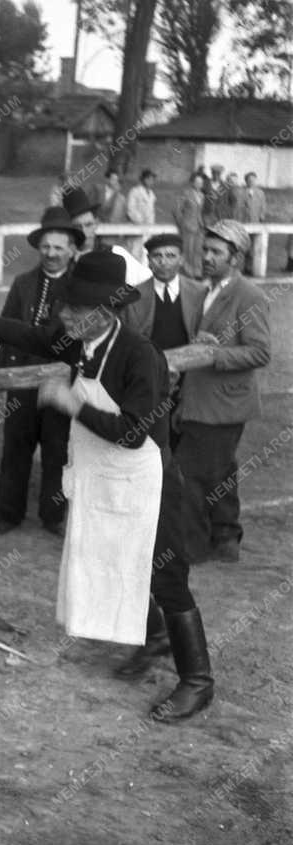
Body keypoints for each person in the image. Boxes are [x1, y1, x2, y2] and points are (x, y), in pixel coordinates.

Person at [0, 250, 215, 722]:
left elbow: (135, 433)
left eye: (74, 309)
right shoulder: (76, 340)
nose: (64, 316)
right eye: (65, 307)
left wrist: (73, 404)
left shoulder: (140, 356)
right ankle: (156, 638)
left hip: (150, 484)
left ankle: (197, 681)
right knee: (120, 559)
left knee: (166, 577)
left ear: (104, 313)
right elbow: (29, 334)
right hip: (108, 480)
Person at [175, 220, 270, 564]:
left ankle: (192, 548)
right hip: (199, 400)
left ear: (236, 258)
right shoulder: (206, 291)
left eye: (216, 252)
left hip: (224, 406)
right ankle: (226, 537)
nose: (207, 257)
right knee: (220, 472)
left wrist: (215, 354)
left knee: (189, 475)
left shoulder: (250, 296)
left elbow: (261, 352)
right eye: (206, 250)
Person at [0, 206, 79, 538]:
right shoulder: (23, 283)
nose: (51, 254)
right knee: (15, 447)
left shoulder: (79, 287)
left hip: (61, 380)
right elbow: (7, 326)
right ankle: (8, 513)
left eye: (58, 247)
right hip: (22, 378)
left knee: (57, 448)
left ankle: (53, 515)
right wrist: (1, 374)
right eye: (46, 247)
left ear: (71, 250)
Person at [121, 233, 205, 453]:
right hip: (150, 379)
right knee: (150, 441)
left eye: (170, 255)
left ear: (182, 259)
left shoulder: (199, 293)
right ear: (148, 260)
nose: (164, 261)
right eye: (157, 256)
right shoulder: (133, 296)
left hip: (188, 381)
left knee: (184, 439)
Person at [173, 172, 205, 279]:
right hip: (188, 226)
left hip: (199, 227)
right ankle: (188, 273)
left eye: (201, 182)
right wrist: (182, 224)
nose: (199, 184)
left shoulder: (202, 195)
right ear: (192, 182)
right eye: (197, 182)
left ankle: (197, 272)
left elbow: (199, 211)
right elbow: (177, 210)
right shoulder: (185, 193)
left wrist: (202, 224)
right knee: (188, 250)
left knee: (198, 250)